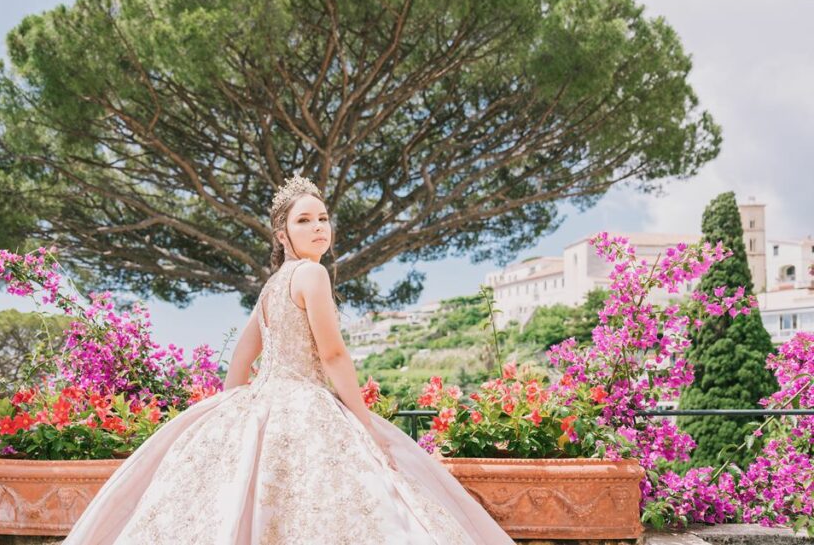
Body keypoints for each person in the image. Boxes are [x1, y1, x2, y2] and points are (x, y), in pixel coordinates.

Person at [62, 171, 516, 544]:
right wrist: (367, 425)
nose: (318, 227)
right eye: (304, 221)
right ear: (282, 233)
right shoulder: (312, 274)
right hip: (306, 404)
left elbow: (241, 355)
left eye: (323, 218)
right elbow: (334, 354)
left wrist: (233, 413)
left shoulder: (272, 284)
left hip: (263, 402)